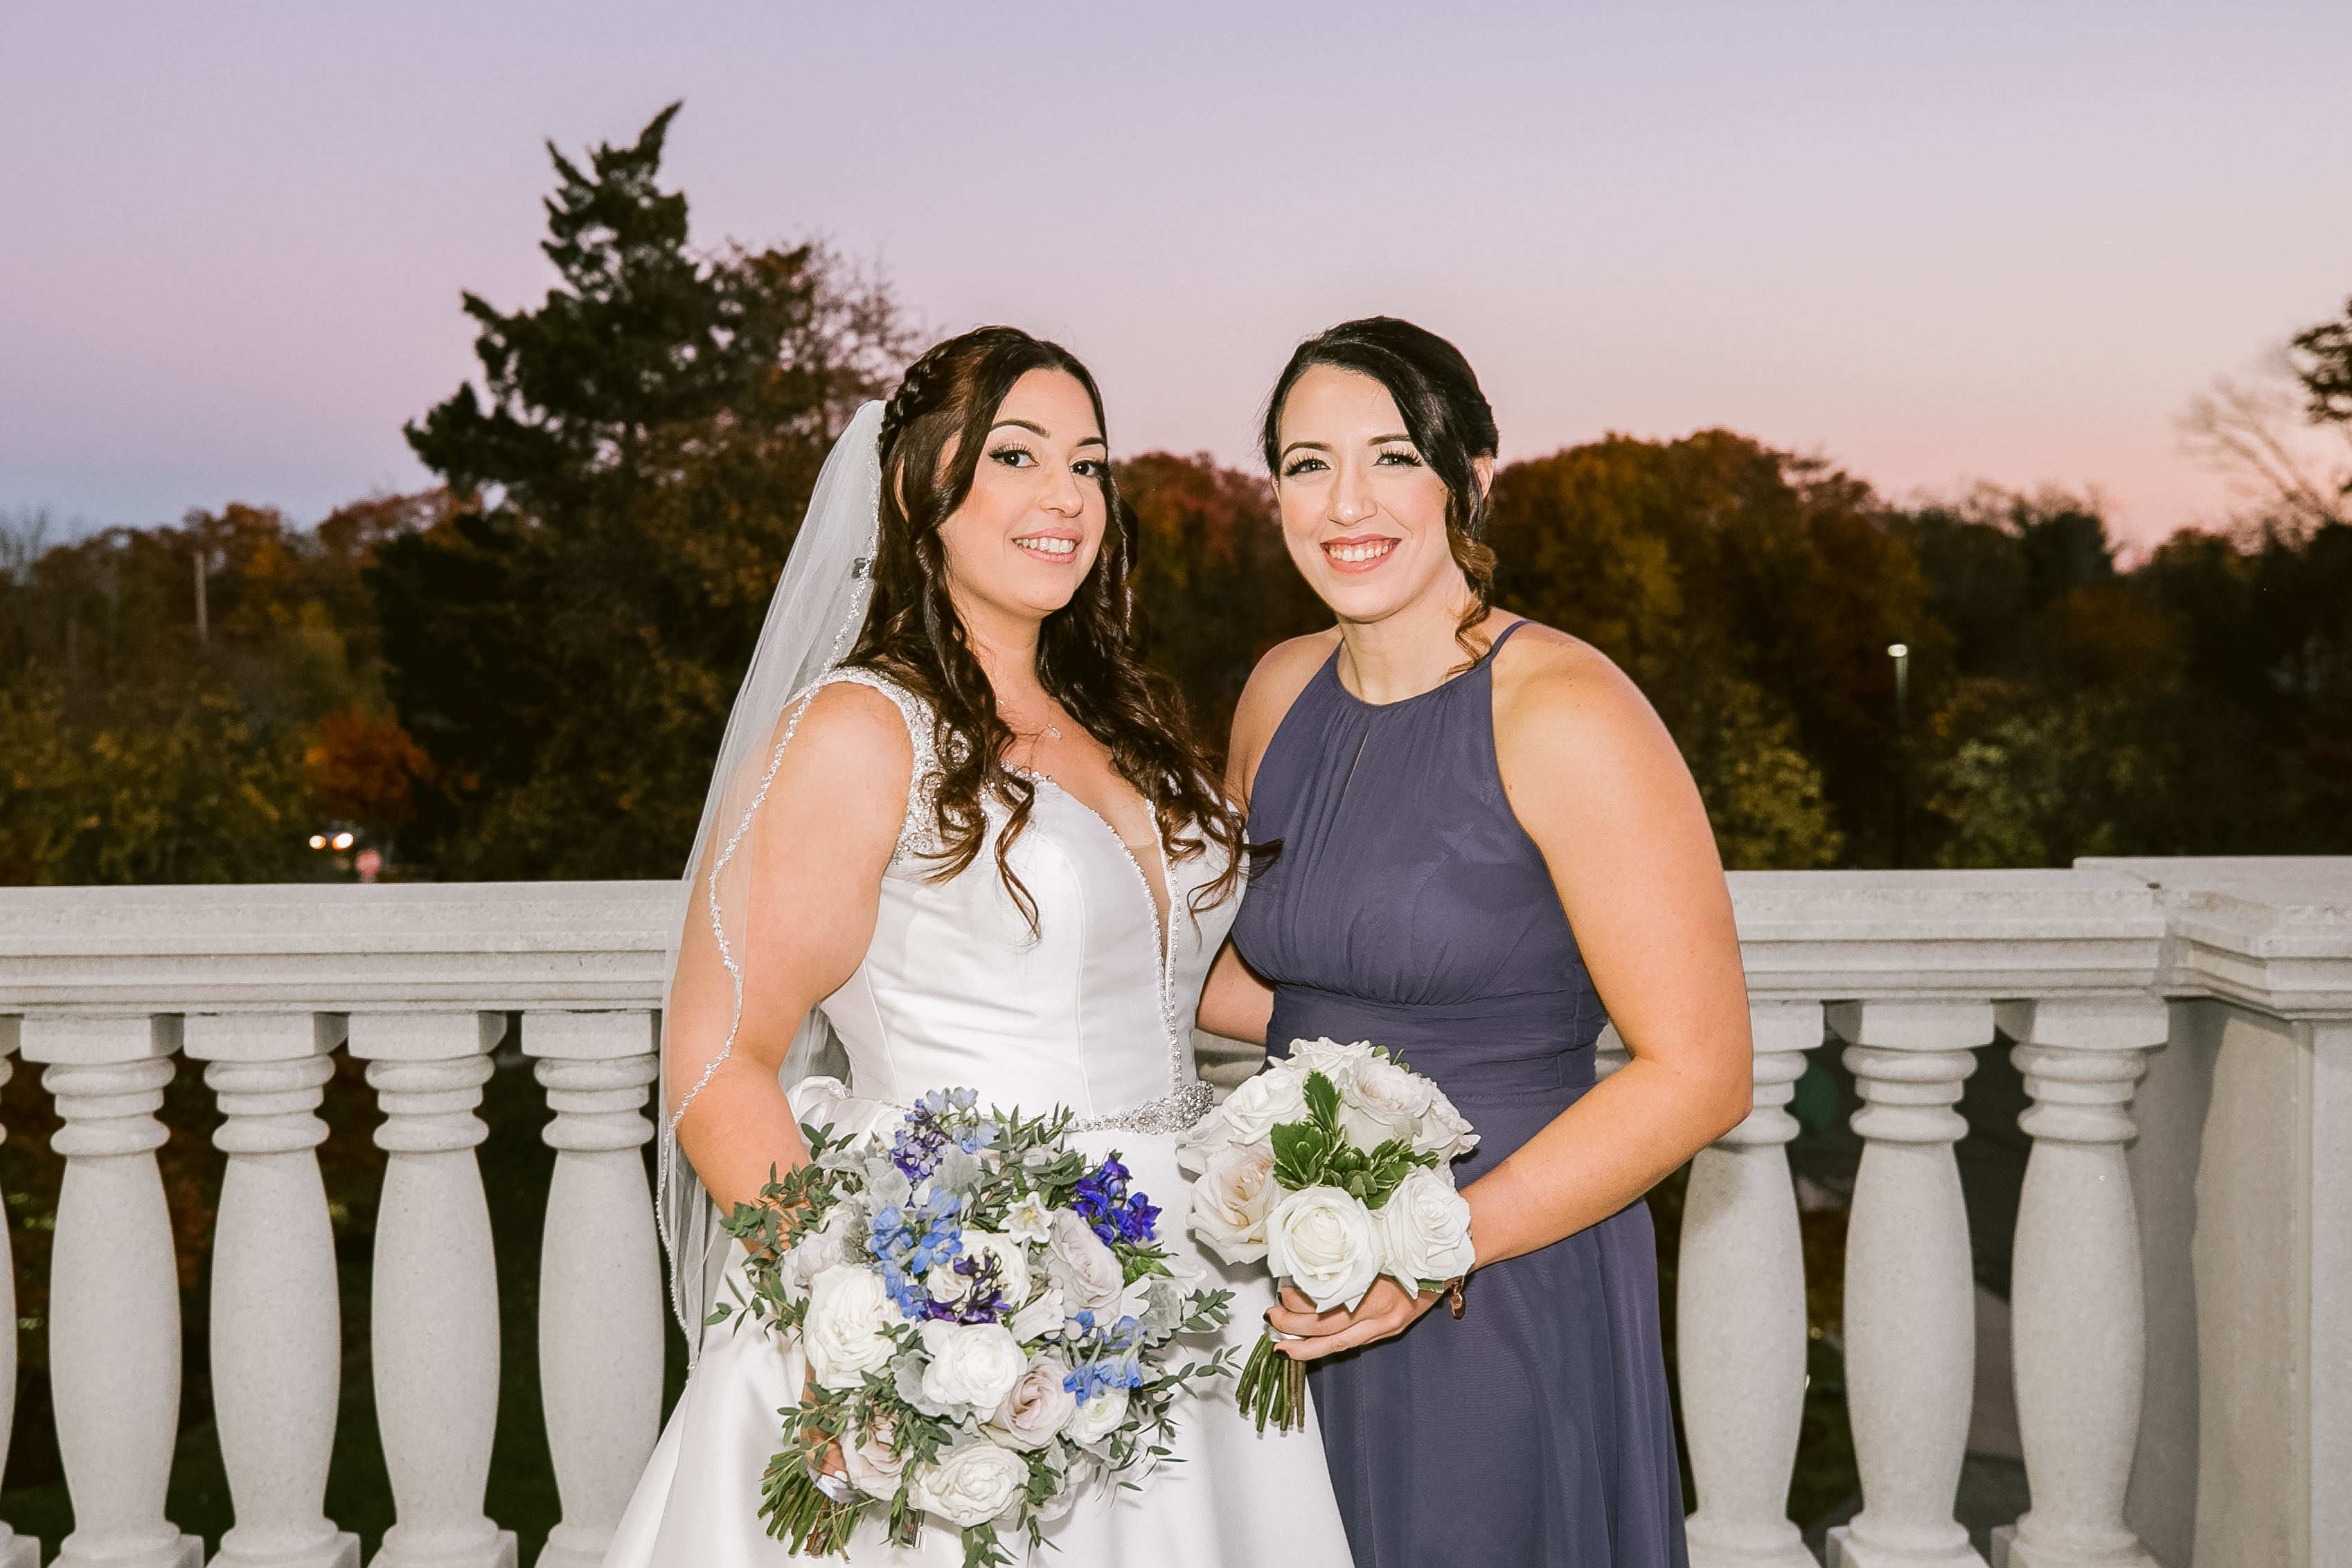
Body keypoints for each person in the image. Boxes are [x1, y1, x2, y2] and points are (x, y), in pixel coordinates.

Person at [605, 326, 1353, 1566]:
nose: (1068, 496)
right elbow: (718, 1059)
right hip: (963, 1294)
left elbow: (1165, 980)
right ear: (919, 489)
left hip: (1188, 1288)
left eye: (1090, 464)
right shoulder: (861, 730)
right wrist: (855, 1321)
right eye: (1017, 455)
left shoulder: (1119, 720)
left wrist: (1390, 1059)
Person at [1200, 317, 1753, 1567]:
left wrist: (1426, 1249)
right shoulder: (1278, 692)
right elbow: (1253, 981)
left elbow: (1704, 1071)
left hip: (1499, 1272)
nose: (1347, 503)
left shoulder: (1567, 707)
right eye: (1306, 464)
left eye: (1393, 457)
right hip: (1301, 1266)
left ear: (1472, 476)